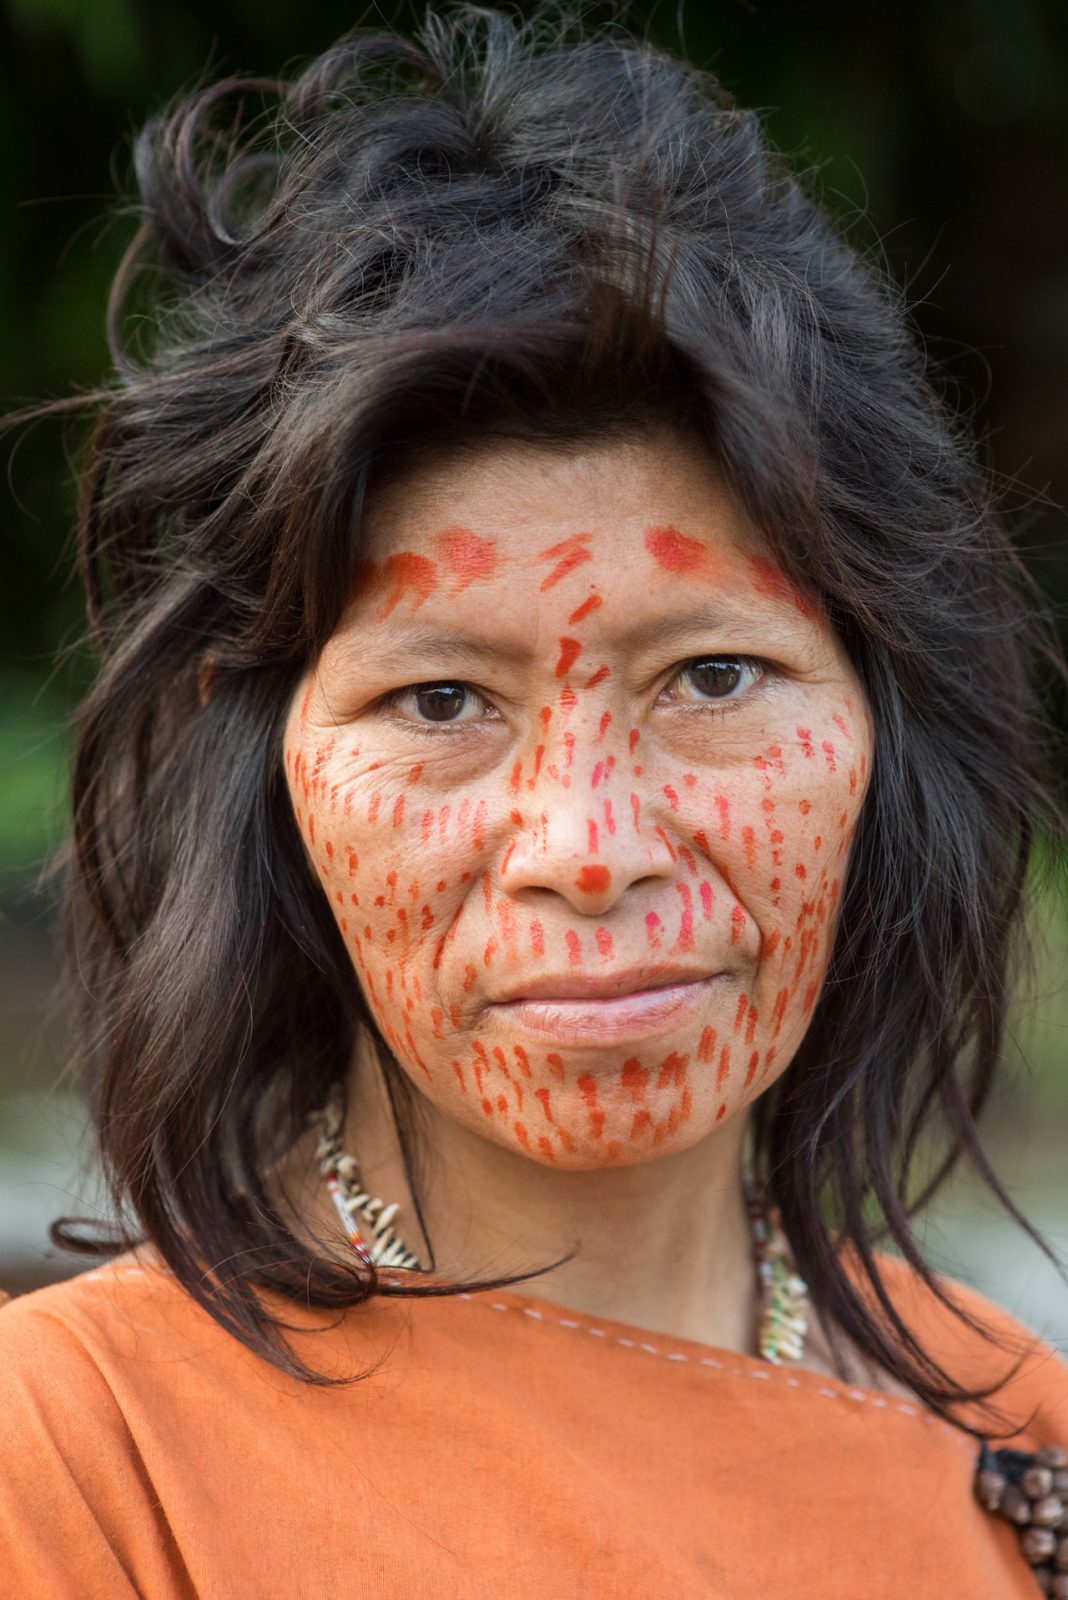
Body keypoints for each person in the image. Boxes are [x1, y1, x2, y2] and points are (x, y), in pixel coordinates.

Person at [1, 8, 1065, 1595]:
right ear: (270, 773)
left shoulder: (1016, 1449)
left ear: (882, 720)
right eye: (439, 701)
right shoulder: (78, 1460)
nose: (588, 847)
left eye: (711, 677)